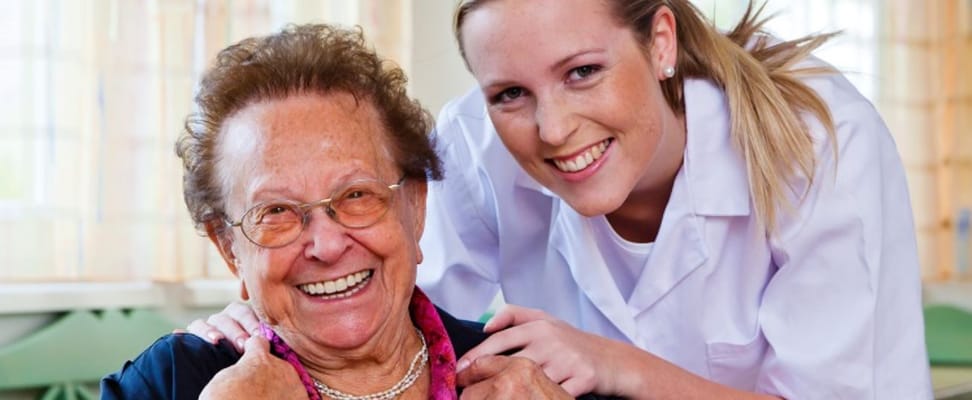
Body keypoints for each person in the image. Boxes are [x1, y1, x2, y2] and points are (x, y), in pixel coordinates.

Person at [190, 1, 933, 398]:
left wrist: (618, 367)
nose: (551, 128)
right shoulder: (476, 149)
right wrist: (270, 312)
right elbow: (391, 316)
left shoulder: (818, 141)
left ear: (662, 40)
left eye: (582, 71)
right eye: (510, 93)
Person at [100, 23, 584, 400]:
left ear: (415, 208)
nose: (327, 246)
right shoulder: (174, 380)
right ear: (230, 249)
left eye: (356, 196)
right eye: (277, 211)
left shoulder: (522, 372)